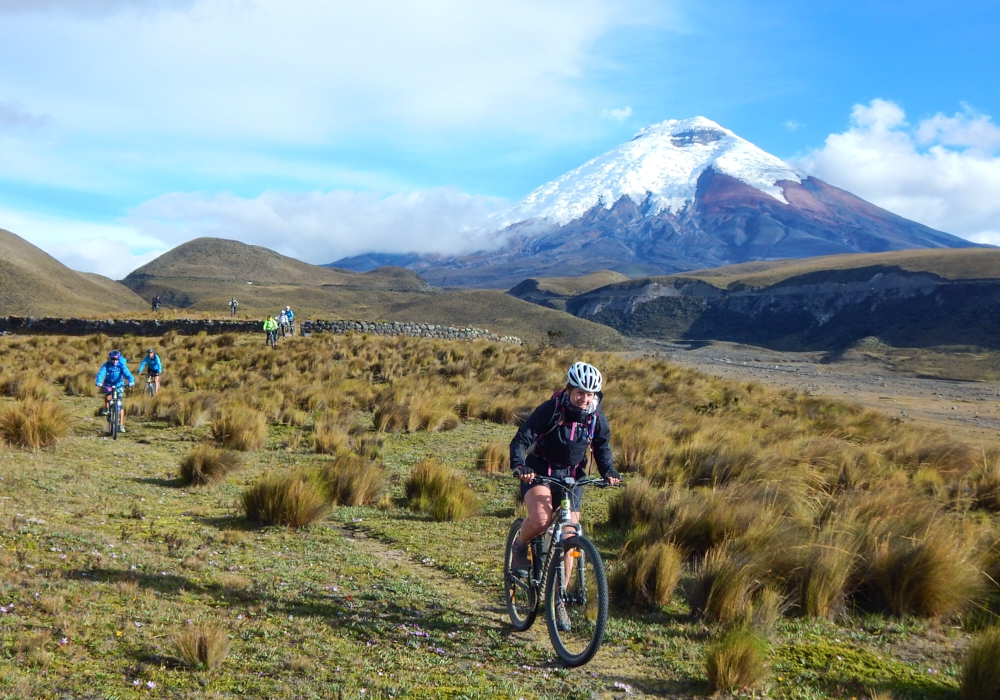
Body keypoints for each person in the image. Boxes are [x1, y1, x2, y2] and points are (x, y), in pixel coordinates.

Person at [508, 361, 620, 629]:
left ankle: (558, 600)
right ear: (569, 389)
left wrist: (609, 472)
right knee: (540, 520)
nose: (584, 398)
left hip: (572, 477)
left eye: (590, 394)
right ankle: (520, 546)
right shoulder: (551, 410)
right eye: (580, 392)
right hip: (539, 472)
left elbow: (602, 448)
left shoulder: (596, 418)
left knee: (570, 537)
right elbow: (521, 439)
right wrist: (519, 465)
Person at [95, 350, 135, 433]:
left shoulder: (121, 365)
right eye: (113, 359)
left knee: (120, 405)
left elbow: (127, 373)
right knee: (108, 396)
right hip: (108, 384)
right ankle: (106, 408)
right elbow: (101, 373)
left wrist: (131, 381)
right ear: (110, 358)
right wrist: (99, 381)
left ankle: (121, 425)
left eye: (117, 359)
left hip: (119, 385)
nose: (115, 361)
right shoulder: (106, 365)